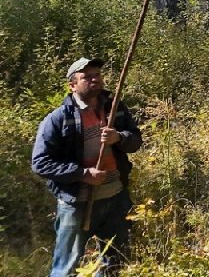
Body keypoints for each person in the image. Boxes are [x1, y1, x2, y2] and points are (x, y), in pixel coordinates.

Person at [31, 57, 143, 277]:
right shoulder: (58, 119)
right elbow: (40, 163)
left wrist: (119, 137)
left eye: (97, 75)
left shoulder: (115, 108)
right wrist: (83, 174)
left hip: (115, 199)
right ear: (72, 85)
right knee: (66, 267)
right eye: (87, 76)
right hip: (76, 204)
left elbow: (136, 141)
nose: (95, 79)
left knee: (114, 264)